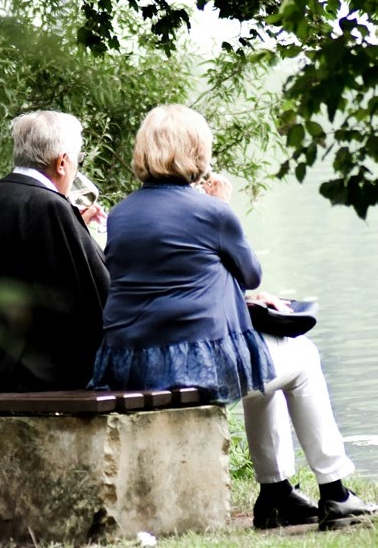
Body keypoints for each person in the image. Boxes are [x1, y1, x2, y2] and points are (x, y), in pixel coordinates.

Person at [91, 104, 377, 531]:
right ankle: (335, 492)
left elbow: (176, 274)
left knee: (267, 370)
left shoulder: (122, 214)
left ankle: (276, 493)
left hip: (130, 362)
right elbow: (251, 273)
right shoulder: (211, 211)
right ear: (195, 151)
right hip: (190, 365)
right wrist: (222, 206)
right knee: (302, 356)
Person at [0, 110, 109, 393]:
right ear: (63, 162)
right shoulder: (51, 208)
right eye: (78, 160)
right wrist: (91, 237)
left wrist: (73, 223)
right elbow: (97, 296)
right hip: (45, 379)